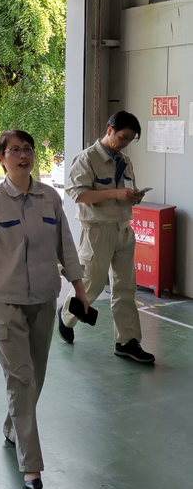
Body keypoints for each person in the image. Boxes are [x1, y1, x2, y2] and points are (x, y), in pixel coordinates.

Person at [0, 129, 87, 489]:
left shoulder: (50, 198)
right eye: (14, 150)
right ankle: (32, 466)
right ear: (1, 158)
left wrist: (79, 287)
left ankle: (13, 426)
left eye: (27, 149)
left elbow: (66, 246)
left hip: (44, 299)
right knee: (21, 379)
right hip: (7, 301)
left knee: (35, 377)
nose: (23, 155)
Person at [57, 111, 154, 363]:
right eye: (122, 137)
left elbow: (126, 189)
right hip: (97, 231)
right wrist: (116, 194)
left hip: (123, 229)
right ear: (109, 130)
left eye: (129, 140)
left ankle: (127, 341)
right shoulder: (87, 159)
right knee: (92, 284)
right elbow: (77, 194)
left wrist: (133, 196)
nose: (124, 143)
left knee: (125, 288)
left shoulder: (125, 161)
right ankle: (66, 316)